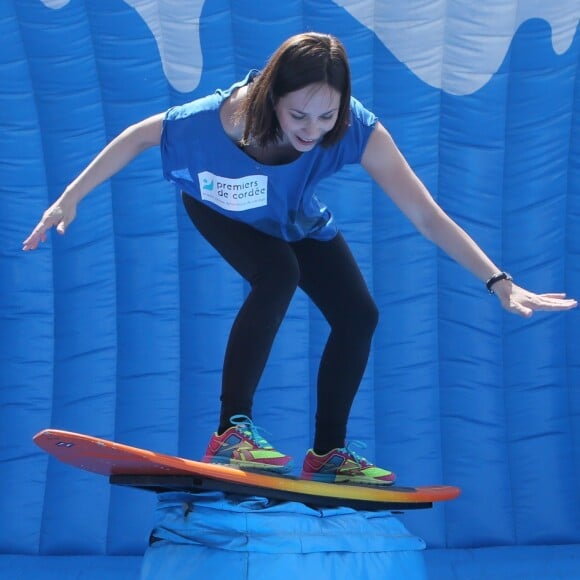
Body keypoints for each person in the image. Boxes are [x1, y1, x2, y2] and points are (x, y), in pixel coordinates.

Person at [23, 32, 577, 486]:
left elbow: (426, 215)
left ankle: (328, 455)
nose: (313, 130)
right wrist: (70, 196)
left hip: (292, 217)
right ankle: (231, 432)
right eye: (299, 116)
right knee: (278, 273)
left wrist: (497, 280)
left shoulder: (358, 127)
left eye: (326, 117)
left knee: (359, 315)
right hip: (218, 208)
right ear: (271, 97)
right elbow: (135, 137)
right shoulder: (220, 118)